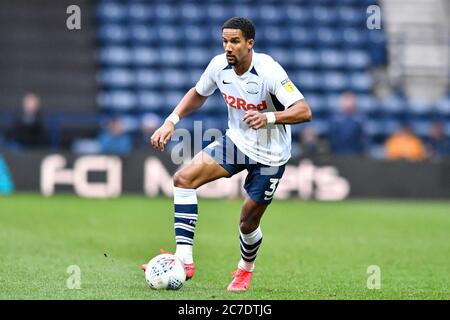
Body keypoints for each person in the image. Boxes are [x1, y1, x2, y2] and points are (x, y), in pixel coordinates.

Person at [142, 17, 312, 292]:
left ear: (250, 43)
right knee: (183, 179)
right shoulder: (218, 66)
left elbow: (304, 111)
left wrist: (269, 117)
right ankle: (184, 260)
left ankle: (245, 269)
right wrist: (171, 121)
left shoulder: (268, 70)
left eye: (234, 41)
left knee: (247, 222)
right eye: (225, 41)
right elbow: (198, 93)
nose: (228, 47)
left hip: (271, 156)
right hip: (237, 142)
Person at [328, 91, 365, 155]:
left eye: (350, 100)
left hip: (356, 155)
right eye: (346, 100)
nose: (348, 104)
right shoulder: (335, 119)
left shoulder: (360, 120)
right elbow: (332, 139)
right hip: (337, 155)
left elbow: (362, 140)